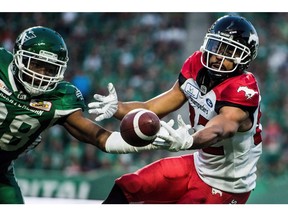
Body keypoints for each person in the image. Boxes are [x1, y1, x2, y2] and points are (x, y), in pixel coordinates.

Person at [88, 14, 263, 204]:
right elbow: (152, 108)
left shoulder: (244, 87)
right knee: (128, 187)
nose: (218, 56)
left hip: (227, 185)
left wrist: (189, 140)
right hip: (198, 165)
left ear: (244, 58)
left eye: (229, 51)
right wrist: (118, 107)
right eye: (216, 46)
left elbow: (222, 129)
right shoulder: (196, 65)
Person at [0, 26, 171, 204]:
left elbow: (99, 138)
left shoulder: (61, 97)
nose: (41, 75)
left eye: (50, 69)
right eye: (36, 64)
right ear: (18, 56)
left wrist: (147, 143)